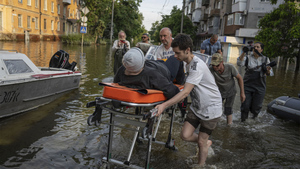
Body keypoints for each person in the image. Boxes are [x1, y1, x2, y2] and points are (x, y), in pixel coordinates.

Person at [155, 34, 222, 166]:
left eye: (177, 53)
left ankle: (200, 165)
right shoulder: (187, 63)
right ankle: (206, 142)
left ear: (187, 50)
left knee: (201, 142)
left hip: (211, 108)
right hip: (197, 106)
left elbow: (186, 92)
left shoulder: (196, 66)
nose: (175, 56)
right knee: (185, 135)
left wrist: (164, 106)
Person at [114, 47, 179, 99]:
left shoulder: (122, 69)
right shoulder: (151, 74)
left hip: (155, 64)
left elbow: (115, 83)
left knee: (159, 61)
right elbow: (172, 91)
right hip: (165, 70)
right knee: (176, 57)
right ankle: (181, 81)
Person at [237, 42, 273, 122]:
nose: (255, 48)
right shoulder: (248, 57)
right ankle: (243, 122)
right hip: (247, 85)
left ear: (261, 50)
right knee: (245, 105)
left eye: (258, 47)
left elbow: (270, 74)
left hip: (260, 86)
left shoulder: (266, 59)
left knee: (256, 107)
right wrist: (243, 52)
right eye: (254, 47)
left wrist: (267, 71)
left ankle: (253, 122)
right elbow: (239, 63)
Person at [209, 53, 246, 125]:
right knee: (215, 107)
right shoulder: (211, 69)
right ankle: (214, 124)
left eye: (217, 65)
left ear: (222, 62)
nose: (215, 67)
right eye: (213, 65)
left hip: (231, 91)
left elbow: (239, 78)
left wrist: (242, 93)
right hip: (219, 92)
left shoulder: (230, 67)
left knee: (228, 109)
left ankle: (229, 125)